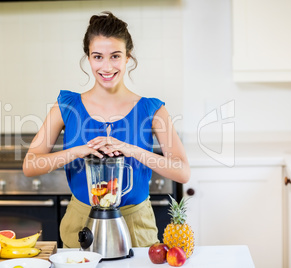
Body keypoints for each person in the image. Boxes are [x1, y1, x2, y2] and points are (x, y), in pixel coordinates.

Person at [23, 11, 190, 248]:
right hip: (80, 222)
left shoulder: (152, 110)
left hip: (136, 224)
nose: (107, 66)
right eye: (98, 56)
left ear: (127, 58)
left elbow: (182, 172)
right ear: (88, 58)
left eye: (115, 56)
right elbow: (30, 165)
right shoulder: (66, 106)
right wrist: (79, 151)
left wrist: (131, 150)